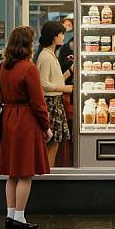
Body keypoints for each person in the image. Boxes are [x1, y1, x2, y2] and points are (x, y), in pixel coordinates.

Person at [0, 26, 53, 229]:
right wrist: (46, 126)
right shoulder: (29, 68)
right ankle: (20, 217)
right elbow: (38, 103)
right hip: (25, 121)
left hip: (8, 119)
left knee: (12, 173)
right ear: (28, 45)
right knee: (26, 173)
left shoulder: (2, 67)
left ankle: (10, 216)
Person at [36, 21, 73, 167]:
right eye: (61, 33)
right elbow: (43, 84)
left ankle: (47, 172)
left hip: (54, 103)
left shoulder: (50, 54)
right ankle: (47, 174)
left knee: (55, 142)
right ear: (54, 36)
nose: (63, 36)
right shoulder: (45, 57)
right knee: (52, 143)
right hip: (50, 103)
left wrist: (71, 70)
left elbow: (56, 80)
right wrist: (66, 89)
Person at [57, 36, 75, 167]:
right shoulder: (49, 58)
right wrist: (73, 68)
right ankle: (67, 162)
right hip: (67, 101)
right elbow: (59, 80)